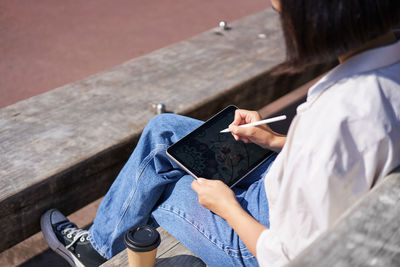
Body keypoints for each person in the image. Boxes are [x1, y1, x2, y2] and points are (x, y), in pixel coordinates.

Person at [41, 0, 400, 266]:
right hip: (287, 190)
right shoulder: (385, 77)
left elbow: (289, 257)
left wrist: (227, 208)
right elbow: (346, 160)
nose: (281, 20)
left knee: (162, 186)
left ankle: (97, 252)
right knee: (165, 132)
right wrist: (275, 141)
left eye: (283, 11)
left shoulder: (343, 112)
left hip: (258, 241)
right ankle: (102, 245)